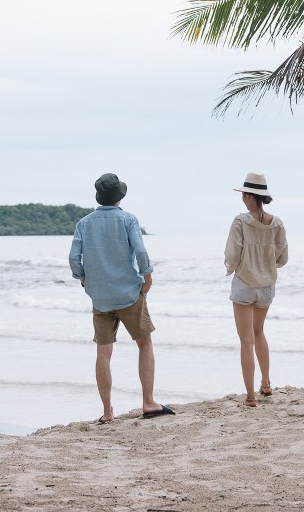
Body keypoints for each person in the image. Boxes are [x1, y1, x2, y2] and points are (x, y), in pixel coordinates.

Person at [69, 172, 174, 423]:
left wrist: (83, 278)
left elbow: (74, 258)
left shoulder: (84, 223)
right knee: (144, 344)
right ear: (119, 196)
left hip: (100, 299)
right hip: (129, 294)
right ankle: (148, 402)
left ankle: (107, 412)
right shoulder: (128, 219)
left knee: (103, 353)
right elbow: (140, 250)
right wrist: (147, 276)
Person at [224, 172, 289, 407]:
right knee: (259, 332)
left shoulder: (241, 221)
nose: (243, 199)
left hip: (244, 284)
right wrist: (268, 266)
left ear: (251, 197)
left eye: (244, 195)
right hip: (267, 286)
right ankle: (266, 383)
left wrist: (232, 268)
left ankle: (250, 396)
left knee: (246, 340)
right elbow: (283, 256)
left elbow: (232, 254)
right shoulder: (277, 223)